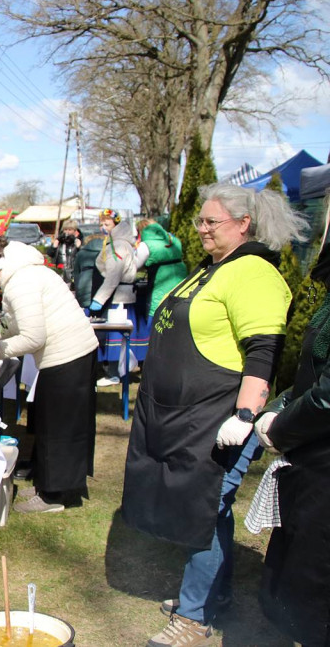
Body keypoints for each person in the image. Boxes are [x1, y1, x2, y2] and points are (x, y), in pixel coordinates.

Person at [121, 182, 306, 647]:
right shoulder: (212, 268)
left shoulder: (253, 273)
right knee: (208, 508)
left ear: (244, 224)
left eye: (211, 221)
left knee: (205, 507)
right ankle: (212, 594)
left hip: (219, 417)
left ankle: (194, 616)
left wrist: (244, 415)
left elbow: (264, 350)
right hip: (183, 416)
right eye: (199, 220)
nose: (201, 228)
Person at [0, 236, 99, 513]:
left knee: (60, 428)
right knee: (46, 421)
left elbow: (32, 338)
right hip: (66, 355)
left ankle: (54, 496)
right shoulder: (20, 275)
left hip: (69, 356)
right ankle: (47, 482)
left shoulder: (21, 283)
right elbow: (15, 323)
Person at [249, 240, 330, 646]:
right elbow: (312, 376)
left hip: (324, 461)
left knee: (316, 580)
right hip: (313, 455)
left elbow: (328, 397)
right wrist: (277, 407)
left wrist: (280, 429)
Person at [90, 208, 145, 386]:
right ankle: (117, 370)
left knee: (115, 335)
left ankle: (114, 372)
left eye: (107, 223)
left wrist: (98, 299)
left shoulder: (118, 246)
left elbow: (113, 276)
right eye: (102, 223)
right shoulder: (116, 243)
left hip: (117, 298)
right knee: (120, 336)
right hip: (119, 295)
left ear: (116, 224)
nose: (103, 226)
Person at [135, 218, 188, 320]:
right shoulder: (174, 240)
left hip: (159, 283)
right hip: (180, 282)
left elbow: (136, 266)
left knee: (157, 311)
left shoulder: (145, 245)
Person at [46, 218, 82, 288]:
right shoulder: (60, 242)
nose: (67, 232)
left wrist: (79, 247)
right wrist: (54, 246)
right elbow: (49, 254)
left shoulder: (78, 241)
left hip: (73, 272)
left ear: (75, 231)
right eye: (65, 229)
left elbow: (82, 257)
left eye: (70, 230)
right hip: (60, 271)